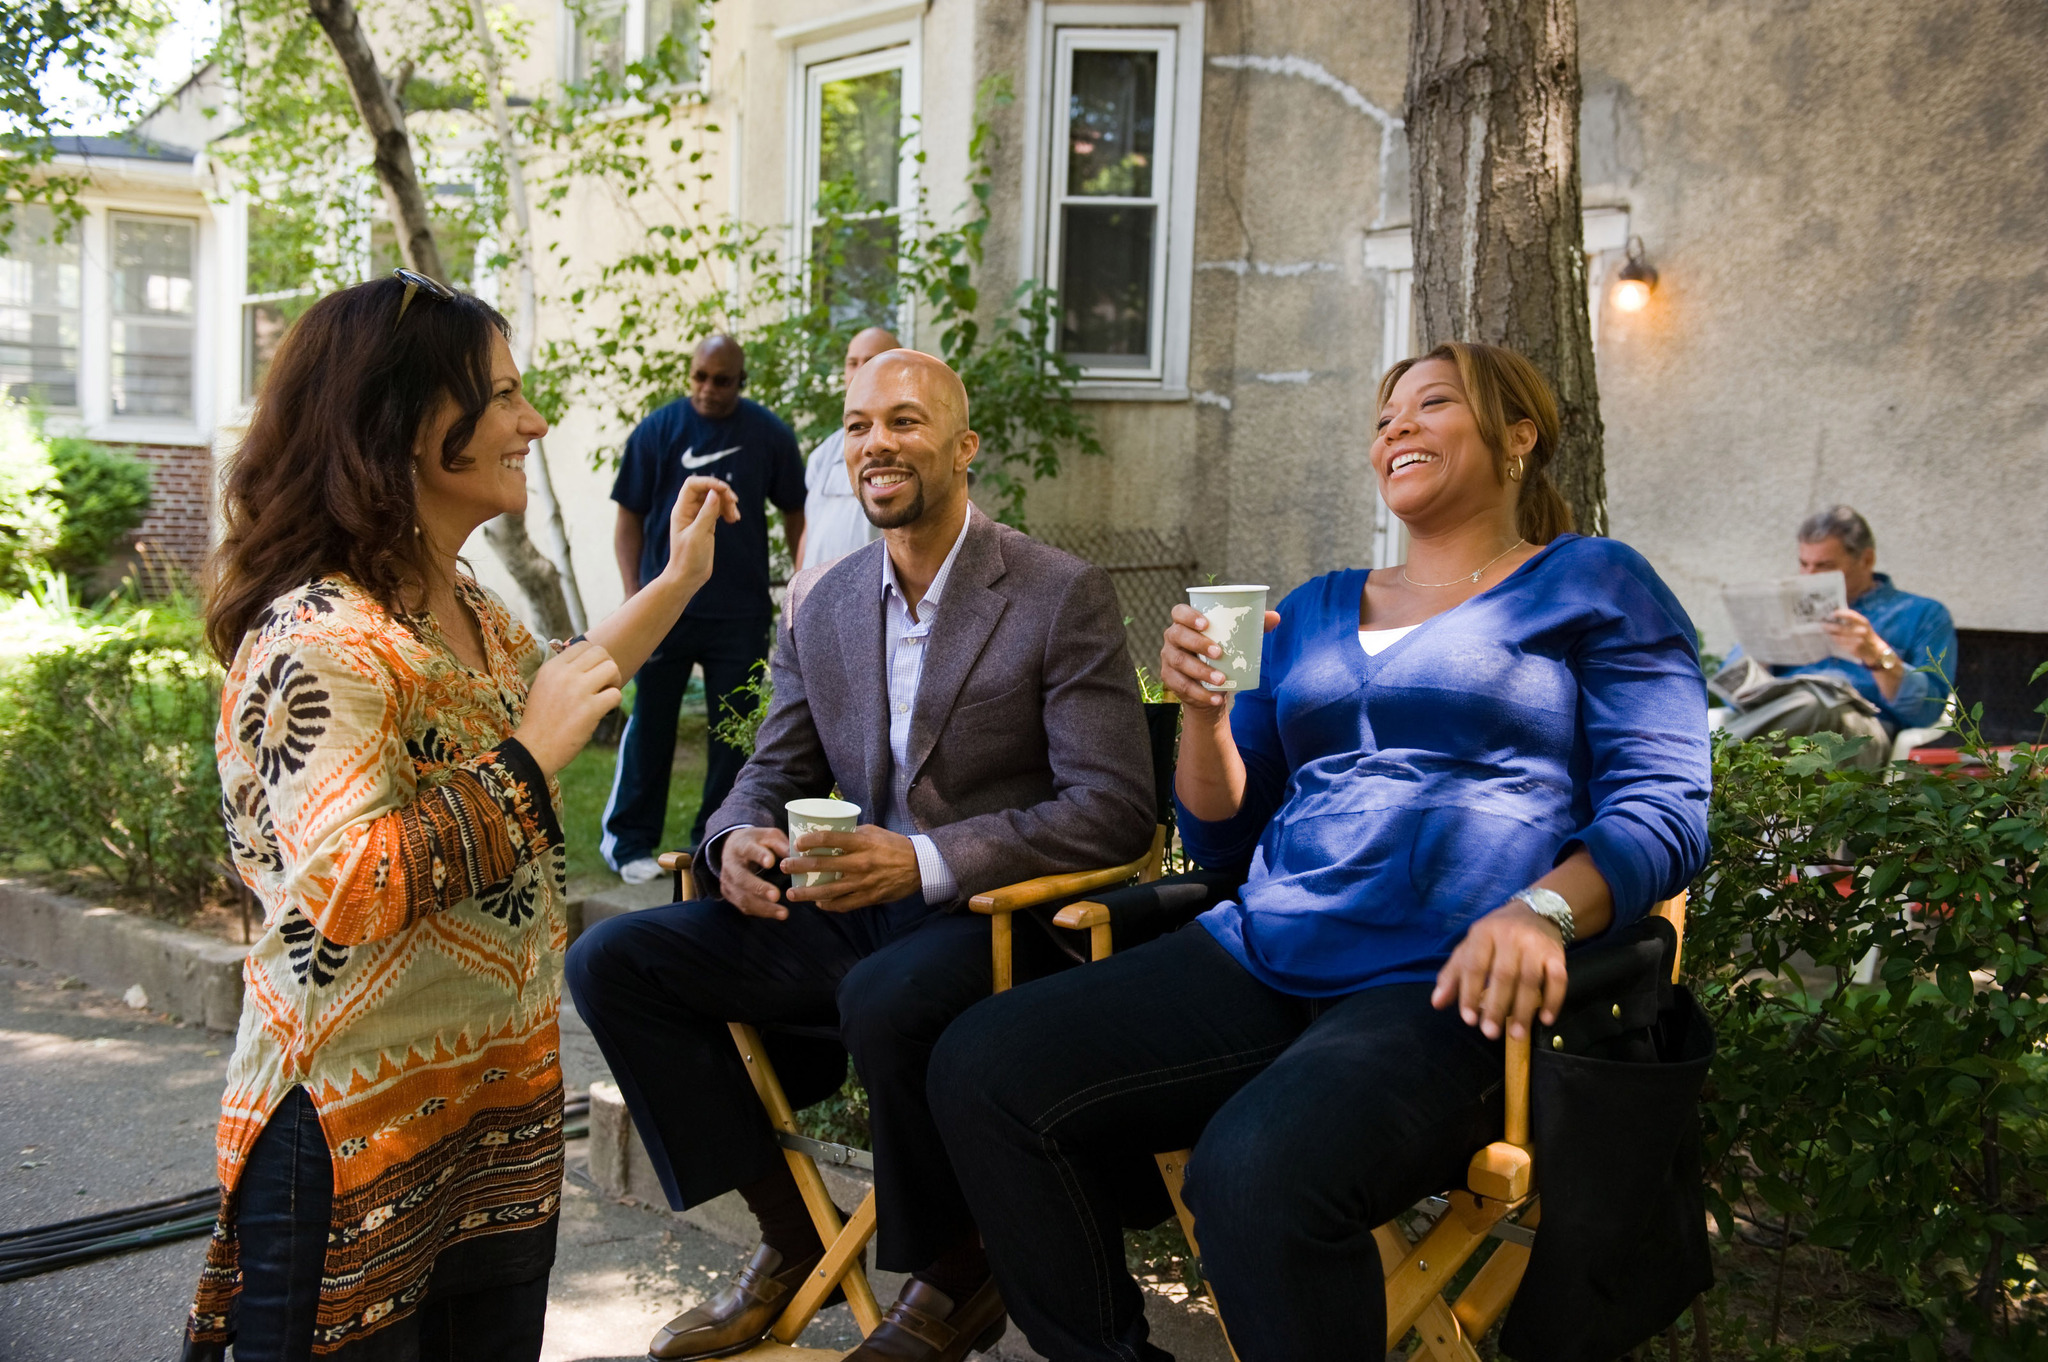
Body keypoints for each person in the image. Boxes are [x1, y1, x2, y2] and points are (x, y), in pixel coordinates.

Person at [928, 342, 1712, 1361]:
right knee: (981, 1067)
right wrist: (1203, 719)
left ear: (1518, 437)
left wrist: (1543, 912)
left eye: (1431, 404)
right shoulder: (1308, 608)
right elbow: (1217, 836)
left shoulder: (1592, 582)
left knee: (1252, 1173)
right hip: (1261, 952)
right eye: (1383, 416)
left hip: (1446, 985)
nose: (1395, 428)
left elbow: (1665, 808)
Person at [187, 270, 739, 1361]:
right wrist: (531, 757)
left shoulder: (464, 605)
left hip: (489, 1120)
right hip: (353, 1134)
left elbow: (566, 678)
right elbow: (343, 887)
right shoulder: (319, 638)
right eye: (501, 397)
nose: (531, 421)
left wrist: (676, 582)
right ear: (401, 421)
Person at [565, 349, 1155, 1362]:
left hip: (995, 923)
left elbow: (1112, 809)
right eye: (858, 424)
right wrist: (734, 837)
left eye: (905, 421)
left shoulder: (1059, 593)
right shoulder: (824, 601)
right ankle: (792, 1240)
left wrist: (923, 861)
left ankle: (956, 1273)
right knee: (613, 962)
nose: (874, 441)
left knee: (888, 994)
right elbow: (769, 765)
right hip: (846, 911)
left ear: (964, 448)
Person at [604, 334, 808, 883]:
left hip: (738, 613)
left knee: (733, 736)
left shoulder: (768, 434)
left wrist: (799, 581)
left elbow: (796, 510)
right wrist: (634, 594)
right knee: (650, 725)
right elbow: (628, 518)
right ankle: (628, 844)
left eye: (721, 380)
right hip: (666, 610)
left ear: (740, 381)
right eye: (699, 377)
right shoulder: (658, 431)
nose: (707, 389)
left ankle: (712, 838)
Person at [1720, 505, 1958, 765]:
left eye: (1825, 566)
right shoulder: (1787, 603)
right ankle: (1715, 767)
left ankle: (1708, 763)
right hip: (1780, 722)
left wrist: (1877, 655)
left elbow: (1928, 712)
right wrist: (1760, 648)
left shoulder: (1922, 613)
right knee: (1806, 702)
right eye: (1804, 564)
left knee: (1818, 702)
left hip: (1862, 732)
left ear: (1866, 560)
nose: (1810, 576)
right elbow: (1728, 697)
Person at [797, 325, 898, 570]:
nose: (859, 372)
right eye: (852, 363)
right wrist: (796, 595)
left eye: (871, 361)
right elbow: (809, 532)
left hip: (877, 602)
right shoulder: (823, 454)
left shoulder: (908, 445)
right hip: (817, 600)